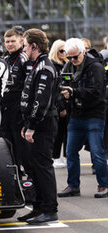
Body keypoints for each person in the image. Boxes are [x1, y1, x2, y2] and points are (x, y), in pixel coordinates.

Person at [17, 28, 58, 224]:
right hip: (34, 123)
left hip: (44, 124)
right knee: (34, 167)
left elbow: (41, 101)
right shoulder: (36, 64)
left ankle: (50, 209)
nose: (23, 49)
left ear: (34, 46)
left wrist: (31, 125)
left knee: (43, 167)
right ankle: (39, 208)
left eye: (25, 45)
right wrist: (26, 124)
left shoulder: (45, 67)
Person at [58, 38, 108, 198]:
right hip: (76, 114)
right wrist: (64, 94)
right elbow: (62, 83)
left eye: (75, 57)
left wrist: (74, 92)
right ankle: (73, 186)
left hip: (94, 114)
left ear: (83, 52)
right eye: (69, 57)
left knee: (97, 152)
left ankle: (104, 185)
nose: (72, 60)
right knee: (70, 151)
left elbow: (97, 92)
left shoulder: (96, 67)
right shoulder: (68, 66)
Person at [0, 26, 32, 176]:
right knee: (5, 143)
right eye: (7, 42)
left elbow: (30, 84)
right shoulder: (4, 59)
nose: (10, 44)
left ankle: (26, 176)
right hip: (4, 108)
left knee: (20, 145)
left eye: (13, 41)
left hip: (19, 109)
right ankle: (12, 174)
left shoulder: (24, 58)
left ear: (20, 41)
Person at [49, 39, 69, 168]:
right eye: (61, 50)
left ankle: (67, 156)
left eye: (65, 50)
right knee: (58, 133)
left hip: (70, 104)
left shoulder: (69, 64)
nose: (64, 53)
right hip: (57, 105)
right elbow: (55, 89)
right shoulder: (52, 66)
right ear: (56, 51)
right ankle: (55, 157)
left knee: (68, 133)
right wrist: (61, 107)